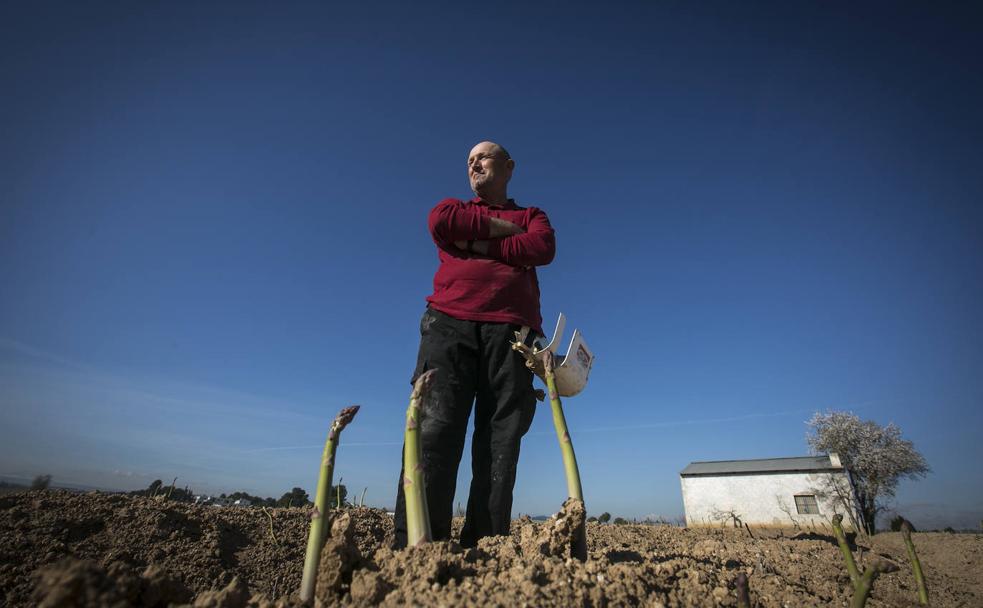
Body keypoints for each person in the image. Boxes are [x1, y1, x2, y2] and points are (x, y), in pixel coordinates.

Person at [393, 141, 556, 548]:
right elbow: (439, 222)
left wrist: (477, 243)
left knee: (500, 439)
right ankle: (415, 545)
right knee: (434, 429)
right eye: (469, 160)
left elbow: (541, 247)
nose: (474, 164)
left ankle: (485, 545)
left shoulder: (531, 215)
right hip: (448, 325)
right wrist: (507, 239)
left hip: (513, 334)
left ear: (509, 166)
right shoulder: (454, 209)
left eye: (483, 157)